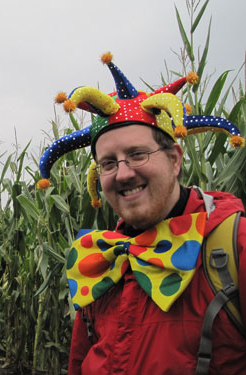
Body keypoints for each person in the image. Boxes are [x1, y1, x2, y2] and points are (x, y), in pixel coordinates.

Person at [37, 53, 246, 374]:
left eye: (138, 154)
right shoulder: (100, 260)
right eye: (108, 163)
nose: (123, 174)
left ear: (175, 159)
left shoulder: (236, 247)